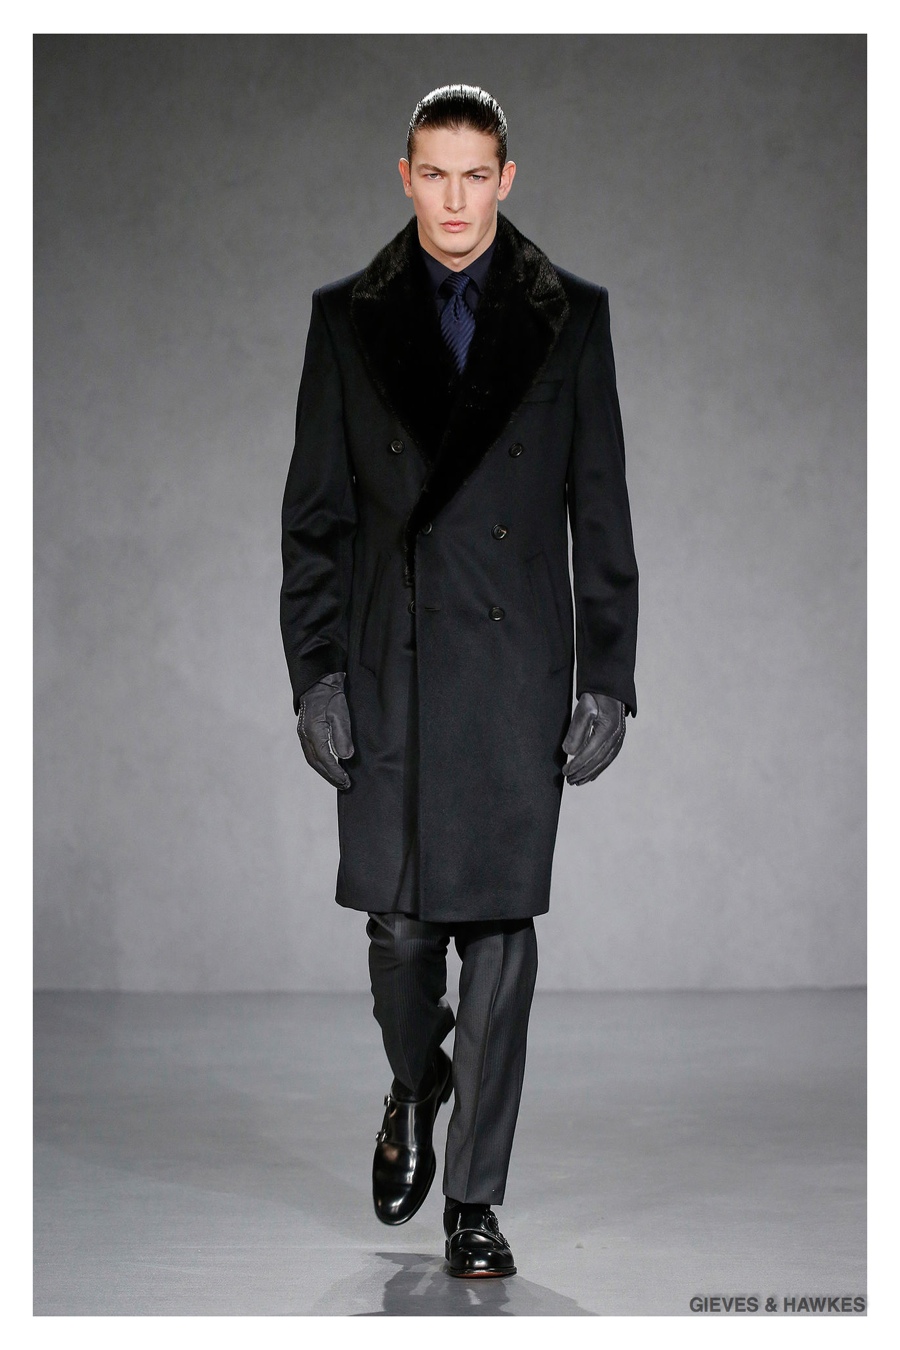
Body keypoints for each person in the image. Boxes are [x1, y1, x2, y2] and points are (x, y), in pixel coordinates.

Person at [280, 84, 638, 1279]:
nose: (453, 199)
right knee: (398, 930)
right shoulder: (347, 320)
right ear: (405, 177)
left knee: (498, 930)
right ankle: (415, 1079)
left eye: (474, 174)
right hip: (391, 665)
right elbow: (314, 524)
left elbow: (602, 510)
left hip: (515, 667)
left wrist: (610, 675)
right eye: (432, 174)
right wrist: (316, 674)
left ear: (505, 179)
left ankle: (475, 1204)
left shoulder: (570, 317)